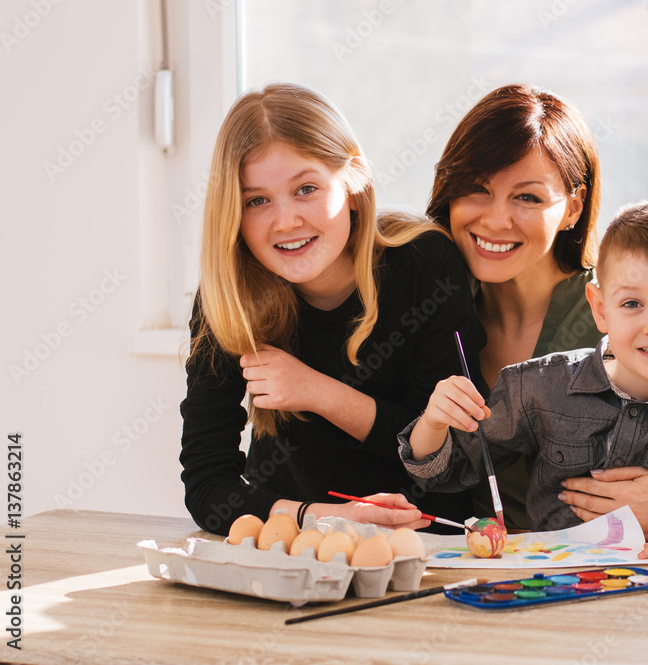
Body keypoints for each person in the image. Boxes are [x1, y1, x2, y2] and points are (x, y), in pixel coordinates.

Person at [398, 200, 648, 563]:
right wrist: (433, 423)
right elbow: (447, 472)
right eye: (631, 304)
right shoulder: (536, 388)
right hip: (555, 591)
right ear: (600, 308)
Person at [179, 83, 484, 536]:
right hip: (301, 548)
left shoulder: (424, 263)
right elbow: (207, 486)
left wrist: (316, 392)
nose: (286, 221)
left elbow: (447, 452)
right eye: (256, 201)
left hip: (429, 547)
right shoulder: (230, 295)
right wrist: (326, 518)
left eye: (305, 188)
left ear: (355, 182)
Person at [426, 83, 648, 536]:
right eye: (476, 189)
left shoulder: (621, 311)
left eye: (528, 197)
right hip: (486, 579)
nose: (496, 219)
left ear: (572, 208)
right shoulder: (430, 308)